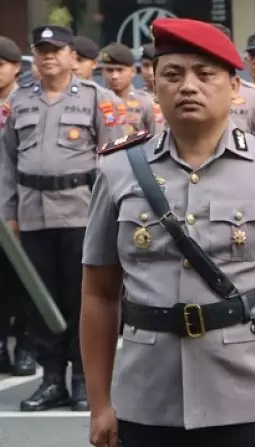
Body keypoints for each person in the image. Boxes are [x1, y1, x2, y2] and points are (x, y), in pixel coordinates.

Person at [80, 17, 255, 447]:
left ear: (234, 87)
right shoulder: (118, 170)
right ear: (154, 86)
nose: (188, 86)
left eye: (205, 74)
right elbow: (98, 293)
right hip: (146, 395)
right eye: (172, 75)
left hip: (249, 394)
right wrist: (100, 404)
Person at [0, 25, 126, 412]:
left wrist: (116, 213)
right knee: (42, 302)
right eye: (41, 50)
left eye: (56, 50)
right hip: (33, 213)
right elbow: (7, 160)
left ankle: (83, 379)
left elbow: (116, 158)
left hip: (81, 212)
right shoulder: (20, 101)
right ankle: (51, 379)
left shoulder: (96, 99)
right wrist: (8, 212)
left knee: (81, 300)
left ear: (73, 56)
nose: (48, 57)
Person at [0, 35, 36, 378]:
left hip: (18, 208)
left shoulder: (25, 104)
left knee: (24, 281)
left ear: (15, 68)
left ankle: (26, 347)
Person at [100, 43, 162, 135]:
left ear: (133, 71)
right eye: (109, 70)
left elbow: (157, 138)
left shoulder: (146, 102)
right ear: (102, 72)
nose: (114, 76)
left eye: (120, 70)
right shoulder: (97, 100)